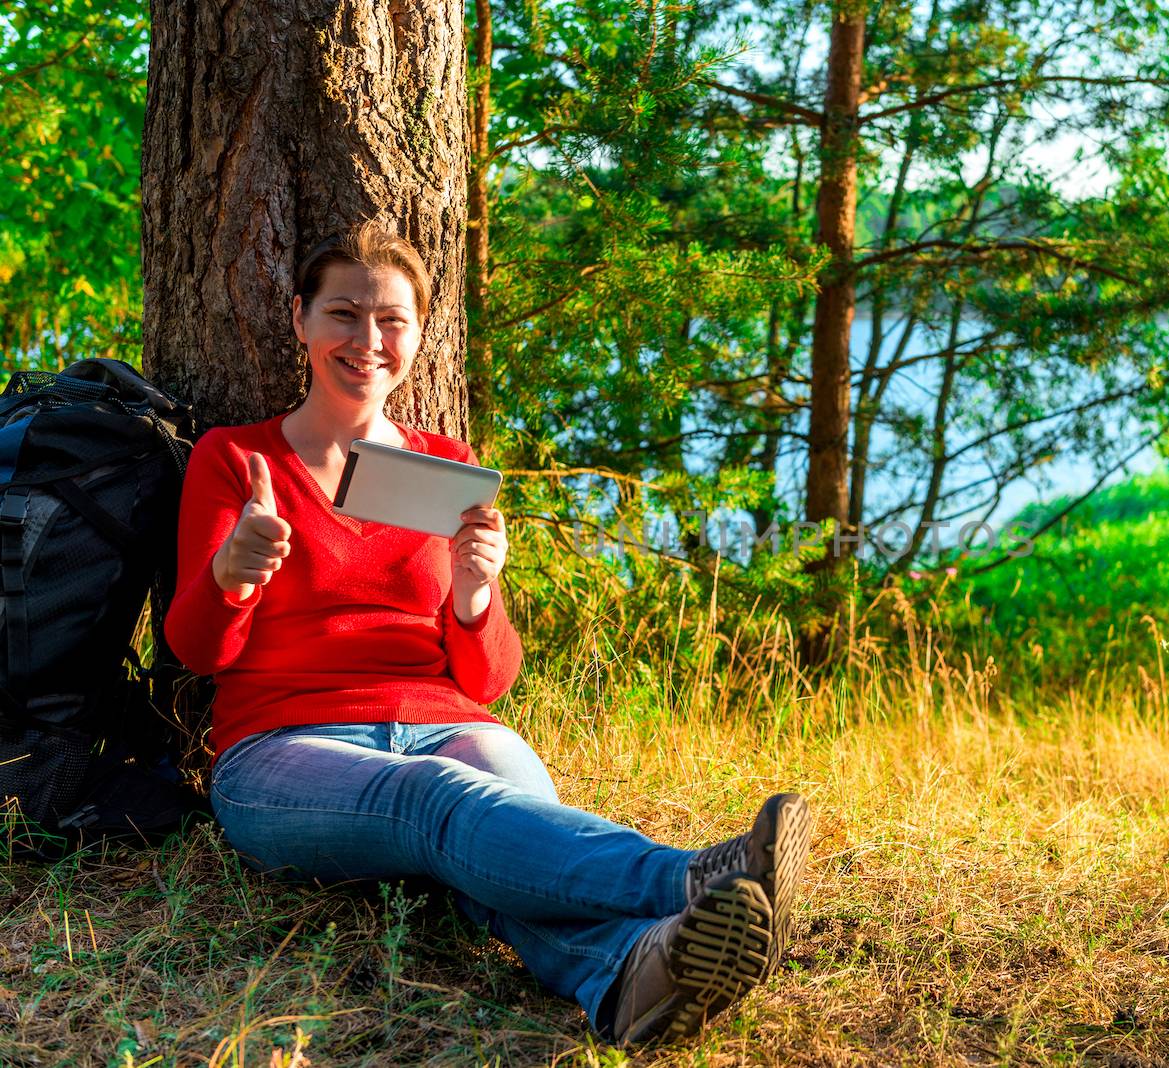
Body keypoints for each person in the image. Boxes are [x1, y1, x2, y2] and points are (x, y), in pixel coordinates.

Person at [163, 221, 813, 1045]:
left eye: (392, 319)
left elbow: (485, 681)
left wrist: (475, 592)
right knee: (441, 802)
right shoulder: (237, 460)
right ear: (300, 320)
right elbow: (196, 650)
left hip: (448, 721)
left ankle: (627, 976)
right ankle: (688, 878)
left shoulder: (443, 462)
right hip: (286, 747)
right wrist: (235, 571)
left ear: (420, 334)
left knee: (492, 825)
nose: (368, 340)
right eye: (343, 314)